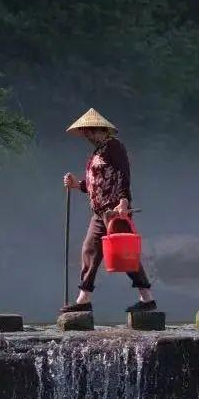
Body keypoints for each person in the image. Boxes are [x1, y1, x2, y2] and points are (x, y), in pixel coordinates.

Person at [62, 107, 156, 314]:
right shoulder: (98, 152)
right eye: (85, 132)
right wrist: (77, 184)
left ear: (101, 130)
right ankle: (83, 298)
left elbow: (123, 174)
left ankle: (147, 299)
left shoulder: (114, 146)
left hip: (115, 209)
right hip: (99, 212)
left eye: (90, 131)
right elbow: (97, 182)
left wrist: (123, 201)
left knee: (125, 254)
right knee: (89, 251)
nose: (87, 135)